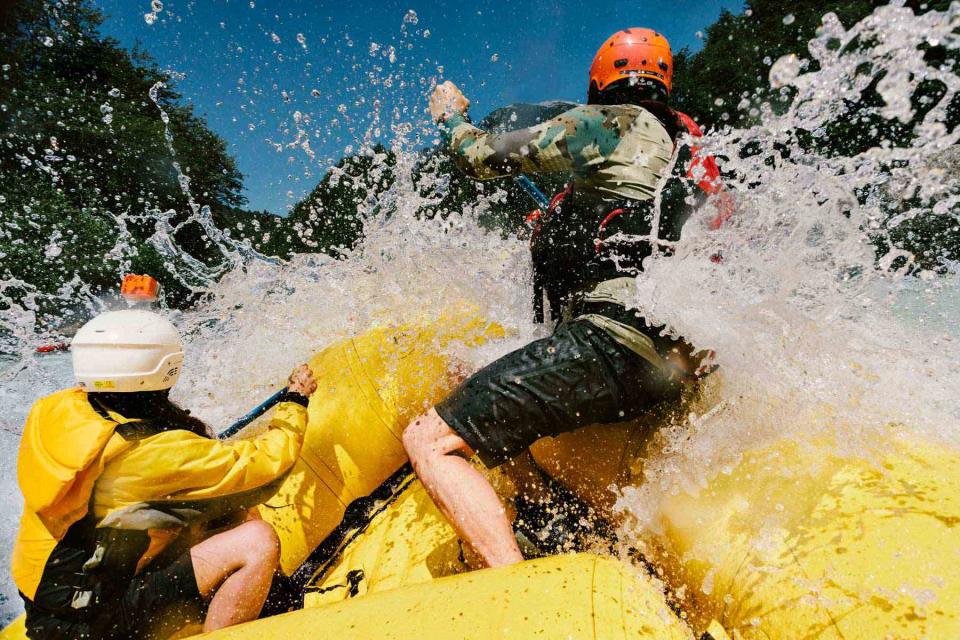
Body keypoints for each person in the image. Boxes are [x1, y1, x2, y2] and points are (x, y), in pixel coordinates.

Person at [403, 28, 730, 567]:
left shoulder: (605, 124)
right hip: (668, 354)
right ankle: (548, 520)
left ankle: (518, 588)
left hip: (613, 345)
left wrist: (449, 117)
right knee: (487, 384)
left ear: (601, 81)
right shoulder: (678, 149)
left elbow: (479, 157)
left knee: (427, 440)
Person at [12, 309, 318, 639]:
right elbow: (267, 469)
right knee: (256, 540)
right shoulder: (150, 454)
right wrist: (295, 402)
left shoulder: (55, 409)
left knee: (222, 512)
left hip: (52, 605)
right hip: (89, 625)